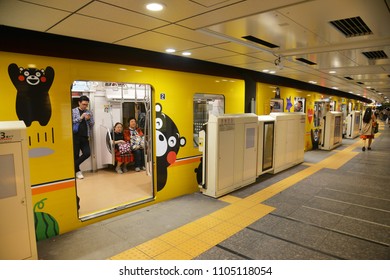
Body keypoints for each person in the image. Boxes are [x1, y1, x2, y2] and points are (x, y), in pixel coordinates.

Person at [72, 95, 94, 179]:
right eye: (83, 104)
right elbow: (71, 122)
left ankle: (72, 166)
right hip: (75, 136)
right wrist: (80, 118)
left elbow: (92, 124)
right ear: (79, 103)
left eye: (86, 105)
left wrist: (88, 119)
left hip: (85, 136)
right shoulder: (73, 111)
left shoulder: (89, 112)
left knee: (87, 153)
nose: (85, 106)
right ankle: (77, 171)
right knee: (76, 154)